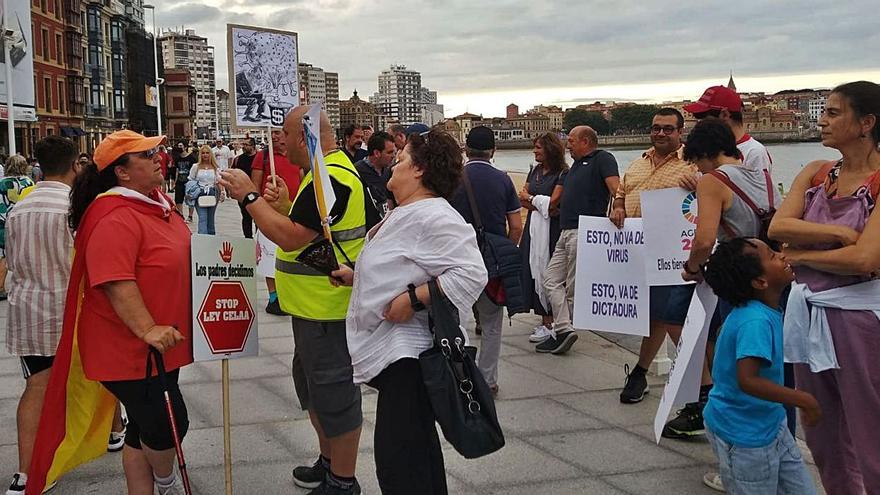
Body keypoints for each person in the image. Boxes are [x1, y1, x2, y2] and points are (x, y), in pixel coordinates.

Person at [330, 129, 487, 494]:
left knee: (401, 462)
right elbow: (406, 266)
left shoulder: (433, 216)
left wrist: (414, 299)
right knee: (415, 454)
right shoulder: (410, 212)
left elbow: (471, 272)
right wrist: (359, 278)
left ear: (418, 170)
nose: (393, 167)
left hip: (412, 359)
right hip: (401, 359)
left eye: (400, 161)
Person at [220, 107, 367, 495]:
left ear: (305, 138)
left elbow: (290, 237)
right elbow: (310, 227)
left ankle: (343, 480)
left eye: (285, 133)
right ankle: (329, 461)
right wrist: (284, 206)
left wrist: (248, 196)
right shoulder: (321, 174)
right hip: (311, 310)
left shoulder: (331, 177)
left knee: (335, 396)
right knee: (315, 392)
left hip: (328, 312)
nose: (279, 140)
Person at [768, 81, 880, 495]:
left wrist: (799, 255)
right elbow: (778, 226)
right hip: (810, 317)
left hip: (861, 323)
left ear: (866, 123)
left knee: (872, 437)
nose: (822, 119)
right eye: (824, 111)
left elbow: (866, 260)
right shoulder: (816, 172)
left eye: (834, 113)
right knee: (824, 437)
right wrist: (837, 233)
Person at [67, 130, 191, 495]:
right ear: (121, 172)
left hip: (162, 344)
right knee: (169, 425)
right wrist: (147, 328)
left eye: (155, 150)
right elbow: (114, 280)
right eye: (146, 153)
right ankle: (167, 482)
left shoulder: (154, 202)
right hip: (132, 349)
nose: (158, 156)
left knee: (141, 427)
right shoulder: (114, 215)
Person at [677, 117, 781, 492]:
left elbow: (704, 240)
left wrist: (692, 268)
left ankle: (736, 463)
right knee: (772, 369)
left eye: (698, 161)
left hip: (737, 285)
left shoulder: (713, 181)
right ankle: (779, 453)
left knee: (730, 368)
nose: (698, 170)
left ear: (705, 154)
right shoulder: (764, 175)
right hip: (773, 284)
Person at [701, 238, 820, 495]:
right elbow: (749, 380)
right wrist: (804, 399)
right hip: (745, 438)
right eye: (772, 255)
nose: (782, 255)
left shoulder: (761, 312)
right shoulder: (754, 321)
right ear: (760, 282)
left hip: (770, 423)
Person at [4, 137, 79, 495]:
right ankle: (115, 431)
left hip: (29, 309)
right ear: (74, 165)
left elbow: (11, 260)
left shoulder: (18, 208)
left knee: (36, 386)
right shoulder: (74, 207)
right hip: (70, 308)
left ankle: (25, 472)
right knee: (101, 376)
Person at [610, 108, 698, 404]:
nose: (660, 133)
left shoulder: (692, 166)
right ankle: (642, 371)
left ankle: (699, 378)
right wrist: (619, 205)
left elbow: (706, 201)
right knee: (652, 315)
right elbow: (621, 191)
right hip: (635, 251)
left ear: (680, 132)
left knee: (669, 315)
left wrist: (699, 186)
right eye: (656, 128)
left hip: (672, 254)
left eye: (667, 129)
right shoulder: (637, 163)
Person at [450, 126, 522, 394]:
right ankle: (488, 379)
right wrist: (504, 250)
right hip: (490, 261)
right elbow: (516, 225)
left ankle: (458, 375)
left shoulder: (453, 178)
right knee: (491, 322)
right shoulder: (503, 180)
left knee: (456, 320)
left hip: (457, 258)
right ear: (493, 150)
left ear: (466, 150)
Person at [539, 126, 620, 354]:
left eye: (572, 140)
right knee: (550, 280)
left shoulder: (602, 159)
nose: (568, 144)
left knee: (573, 286)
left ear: (585, 141)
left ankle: (565, 329)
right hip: (566, 231)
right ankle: (564, 329)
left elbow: (616, 188)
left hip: (584, 230)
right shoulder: (572, 168)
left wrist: (619, 207)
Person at [517, 132, 567, 344]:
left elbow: (555, 203)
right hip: (534, 227)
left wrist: (533, 201)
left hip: (552, 230)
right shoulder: (534, 170)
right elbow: (522, 198)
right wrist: (538, 203)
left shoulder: (563, 173)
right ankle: (544, 318)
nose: (535, 151)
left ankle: (554, 320)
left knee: (550, 271)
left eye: (538, 147)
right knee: (532, 268)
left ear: (550, 149)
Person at [250, 129, 302, 315]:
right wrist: (257, 211)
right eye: (272, 133)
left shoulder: (297, 157)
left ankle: (290, 292)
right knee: (269, 255)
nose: (274, 136)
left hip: (293, 212)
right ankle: (274, 297)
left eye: (279, 132)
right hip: (270, 213)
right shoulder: (262, 157)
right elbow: (254, 186)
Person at [685, 85, 772, 173]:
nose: (700, 123)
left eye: (704, 118)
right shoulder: (708, 147)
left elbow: (758, 186)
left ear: (725, 115)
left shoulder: (755, 153)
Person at [0, 155, 36, 301]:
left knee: (2, 255)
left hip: (2, 221)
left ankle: (1, 286)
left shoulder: (2, 183)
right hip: (22, 222)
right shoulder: (28, 183)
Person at [354, 131, 395, 217]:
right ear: (377, 153)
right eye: (389, 152)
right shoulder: (357, 171)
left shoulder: (389, 172)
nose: (393, 156)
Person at [188, 145, 225, 235]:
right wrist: (190, 192)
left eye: (207, 153)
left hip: (212, 193)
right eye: (203, 153)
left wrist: (222, 192)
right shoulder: (195, 167)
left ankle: (211, 239)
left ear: (210, 154)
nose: (205, 155)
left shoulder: (215, 167)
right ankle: (202, 239)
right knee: (202, 218)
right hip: (199, 193)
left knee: (211, 219)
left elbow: (218, 181)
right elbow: (191, 180)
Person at [232, 138, 257, 238]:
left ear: (253, 146)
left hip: (256, 191)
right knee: (246, 217)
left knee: (259, 218)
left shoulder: (259, 157)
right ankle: (248, 239)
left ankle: (259, 238)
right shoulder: (238, 159)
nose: (244, 147)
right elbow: (233, 173)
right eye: (243, 144)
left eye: (247, 145)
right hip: (243, 192)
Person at [172, 142, 197, 222]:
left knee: (190, 198)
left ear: (185, 147)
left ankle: (190, 216)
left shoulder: (191, 158)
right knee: (178, 199)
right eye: (178, 146)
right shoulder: (177, 158)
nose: (179, 147)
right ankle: (181, 215)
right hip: (180, 181)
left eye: (181, 146)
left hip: (189, 181)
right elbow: (176, 170)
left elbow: (194, 170)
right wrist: (174, 182)